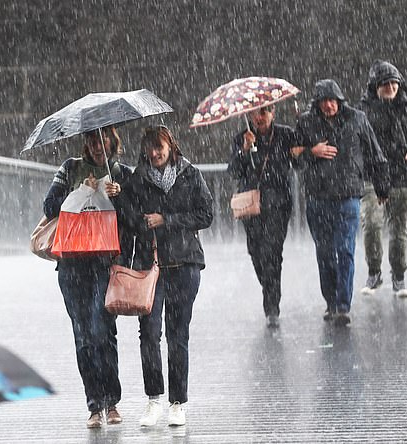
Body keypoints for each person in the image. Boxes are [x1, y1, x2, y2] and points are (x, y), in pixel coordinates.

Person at [117, 126, 213, 427]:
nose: (155, 153)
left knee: (177, 335)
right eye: (150, 148)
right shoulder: (137, 179)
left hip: (185, 264)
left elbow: (206, 214)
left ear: (171, 146)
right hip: (150, 266)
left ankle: (177, 402)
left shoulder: (190, 173)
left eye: (160, 147)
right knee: (148, 334)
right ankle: (154, 399)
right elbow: (130, 222)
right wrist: (121, 200)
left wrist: (167, 219)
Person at [43, 126, 132, 428]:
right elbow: (49, 206)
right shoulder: (70, 168)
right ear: (86, 142)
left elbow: (133, 218)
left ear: (112, 140)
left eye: (103, 138)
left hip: (105, 264)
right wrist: (79, 191)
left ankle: (112, 402)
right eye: (92, 139)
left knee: (101, 331)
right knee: (83, 336)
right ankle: (94, 404)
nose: (97, 144)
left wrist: (118, 197)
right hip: (71, 266)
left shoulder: (121, 172)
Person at [292, 79, 389, 326]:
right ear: (317, 103)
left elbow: (375, 153)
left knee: (345, 251)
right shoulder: (305, 122)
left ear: (339, 100)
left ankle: (343, 305)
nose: (328, 105)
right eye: (324, 101)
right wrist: (310, 152)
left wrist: (382, 186)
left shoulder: (357, 119)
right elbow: (294, 159)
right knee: (324, 254)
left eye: (332, 100)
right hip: (318, 198)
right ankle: (331, 302)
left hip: (348, 197)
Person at [357, 60, 407, 298]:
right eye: (385, 83)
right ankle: (374, 272)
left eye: (394, 83)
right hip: (372, 175)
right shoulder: (364, 110)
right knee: (372, 224)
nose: (390, 87)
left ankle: (398, 276)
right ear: (375, 87)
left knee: (399, 230)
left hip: (402, 174)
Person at [227, 105, 298, 328]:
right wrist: (245, 150)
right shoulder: (242, 137)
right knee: (256, 252)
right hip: (252, 205)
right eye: (256, 113)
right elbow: (234, 171)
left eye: (265, 111)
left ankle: (272, 306)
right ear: (249, 115)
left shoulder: (286, 134)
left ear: (273, 112)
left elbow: (300, 164)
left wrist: (298, 152)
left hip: (278, 204)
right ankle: (269, 287)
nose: (260, 117)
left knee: (272, 252)